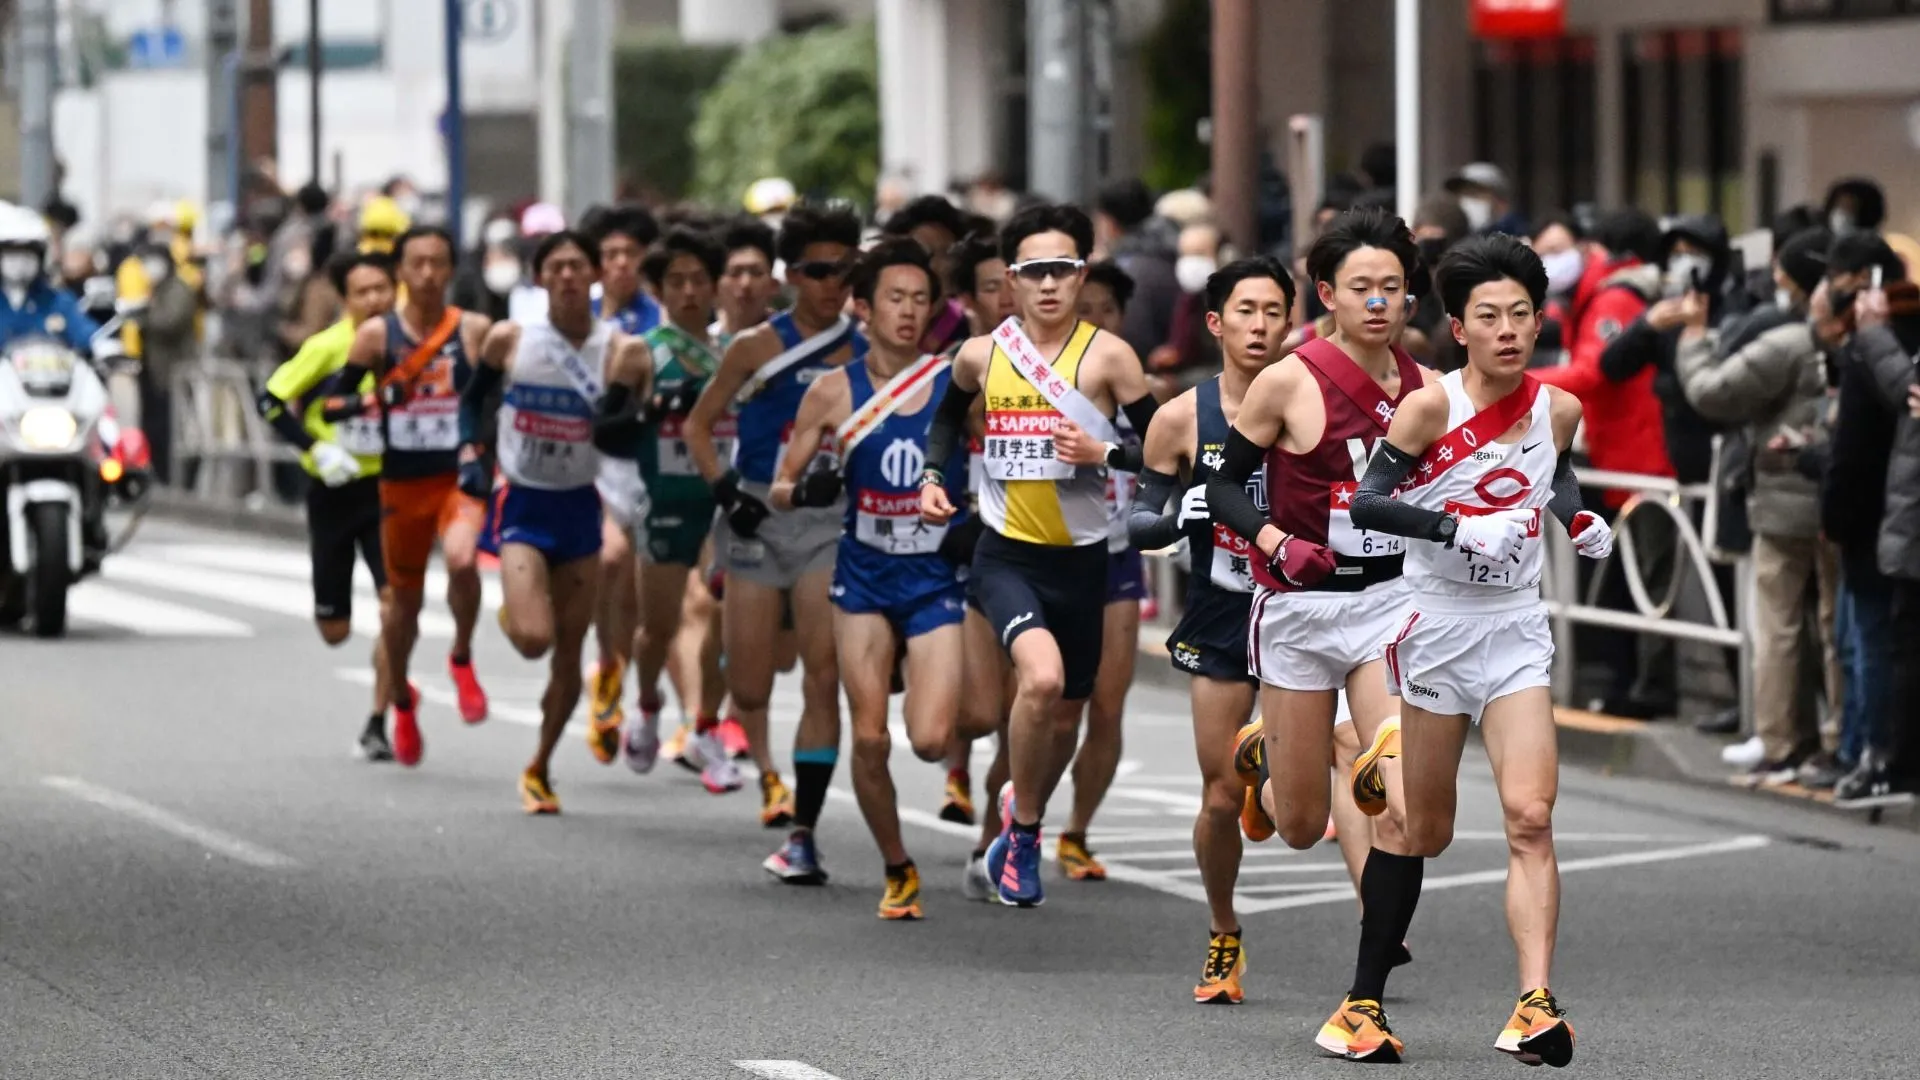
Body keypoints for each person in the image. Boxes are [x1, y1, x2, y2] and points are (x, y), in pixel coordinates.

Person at [1345, 234, 1612, 1067]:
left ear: (1540, 322)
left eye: (1521, 315)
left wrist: (1577, 517)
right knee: (1420, 830)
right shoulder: (1430, 406)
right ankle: (1360, 1006)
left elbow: (1551, 471)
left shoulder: (1559, 407)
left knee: (1531, 816)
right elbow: (1367, 503)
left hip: (1514, 626)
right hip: (1435, 624)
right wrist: (1457, 524)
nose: (1507, 330)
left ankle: (1534, 1005)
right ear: (1458, 327)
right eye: (1488, 316)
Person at [1201, 208, 1425, 1059]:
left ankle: (1363, 1004)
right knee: (1297, 827)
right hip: (1296, 611)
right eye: (1360, 289)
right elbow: (1224, 489)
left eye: (1393, 288)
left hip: (1387, 609)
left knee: (1404, 802)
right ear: (1327, 294)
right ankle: (1273, 751)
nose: (1378, 304)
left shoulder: (1423, 385)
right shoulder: (1289, 381)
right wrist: (1271, 540)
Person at [920, 202, 1159, 907]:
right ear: (1011, 281)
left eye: (1062, 269)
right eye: (1033, 272)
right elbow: (941, 421)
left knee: (1063, 719)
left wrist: (1106, 451)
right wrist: (936, 479)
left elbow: (1163, 452)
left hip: (1084, 566)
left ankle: (1012, 819)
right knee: (1043, 680)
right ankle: (1024, 832)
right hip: (1007, 557)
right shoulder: (981, 355)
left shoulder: (1111, 357)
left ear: (1081, 274)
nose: (1049, 285)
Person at [771, 238, 990, 914]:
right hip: (862, 576)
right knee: (868, 734)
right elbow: (780, 486)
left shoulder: (955, 381)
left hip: (932, 576)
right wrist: (808, 487)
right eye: (894, 297)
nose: (908, 310)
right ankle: (898, 867)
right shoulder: (833, 391)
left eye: (921, 299)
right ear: (862, 307)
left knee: (930, 738)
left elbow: (992, 459)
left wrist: (976, 515)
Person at [1129, 256, 1293, 1003]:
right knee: (1222, 793)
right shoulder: (1179, 417)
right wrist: (1178, 516)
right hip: (1222, 610)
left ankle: (1378, 919)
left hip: (1303, 608)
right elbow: (1139, 519)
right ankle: (1224, 932)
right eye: (1246, 312)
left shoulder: (1313, 400)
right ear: (1217, 322)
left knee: (1323, 784)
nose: (1260, 326)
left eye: (1273, 312)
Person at [686, 202, 867, 873]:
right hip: (757, 516)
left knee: (824, 679)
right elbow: (698, 428)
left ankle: (804, 830)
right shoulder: (754, 346)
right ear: (791, 275)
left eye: (844, 270)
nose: (832, 283)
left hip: (830, 518)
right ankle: (749, 744)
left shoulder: (866, 348)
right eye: (818, 270)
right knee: (756, 685)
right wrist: (724, 490)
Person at [459, 230, 645, 813]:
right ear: (540, 278)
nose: (567, 276)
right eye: (556, 267)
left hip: (579, 507)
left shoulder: (620, 350)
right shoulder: (511, 340)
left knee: (569, 652)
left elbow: (625, 427)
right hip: (524, 503)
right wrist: (473, 450)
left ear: (594, 276)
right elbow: (472, 401)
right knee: (535, 639)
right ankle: (515, 608)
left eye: (577, 266)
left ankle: (539, 766)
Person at [319, 226, 493, 766]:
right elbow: (331, 406)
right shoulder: (375, 337)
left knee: (464, 558)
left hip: (454, 480)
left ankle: (461, 655)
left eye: (437, 263)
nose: (426, 275)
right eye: (415, 263)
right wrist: (375, 401)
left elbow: (493, 401)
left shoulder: (474, 331)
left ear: (450, 270)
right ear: (400, 271)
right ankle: (401, 703)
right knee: (403, 611)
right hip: (400, 485)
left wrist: (480, 448)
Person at [257, 252, 400, 758]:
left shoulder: (409, 344)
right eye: (362, 292)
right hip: (334, 494)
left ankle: (380, 715)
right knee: (334, 630)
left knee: (395, 606)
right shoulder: (326, 347)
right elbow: (269, 400)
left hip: (388, 491)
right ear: (345, 300)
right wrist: (314, 447)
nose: (375, 300)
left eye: (383, 288)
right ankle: (390, 665)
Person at [618, 227, 738, 788]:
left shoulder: (736, 352)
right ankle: (645, 703)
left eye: (698, 280)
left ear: (715, 287)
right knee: (656, 627)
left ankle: (706, 727)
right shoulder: (640, 351)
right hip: (664, 500)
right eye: (676, 281)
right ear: (660, 289)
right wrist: (654, 409)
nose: (689, 291)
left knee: (720, 610)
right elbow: (607, 430)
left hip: (719, 500)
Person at [1053, 259, 1147, 882]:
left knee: (1106, 705)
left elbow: (1168, 457)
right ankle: (1011, 813)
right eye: (1084, 310)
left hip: (1114, 557)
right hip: (1045, 557)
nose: (1096, 322)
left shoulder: (1139, 388)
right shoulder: (1034, 384)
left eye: (1107, 311)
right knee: (1053, 707)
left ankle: (1077, 831)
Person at [584, 205, 663, 755]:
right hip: (585, 462)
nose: (619, 265)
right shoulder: (576, 316)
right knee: (607, 560)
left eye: (630, 256)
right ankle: (606, 663)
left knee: (634, 588)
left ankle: (619, 668)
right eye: (609, 256)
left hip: (642, 461)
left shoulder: (658, 321)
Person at [0, 205, 100, 355]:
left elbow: (87, 333)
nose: (19, 264)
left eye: (28, 255)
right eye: (11, 255)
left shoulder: (57, 300)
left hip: (56, 377)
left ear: (41, 258)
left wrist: (108, 349)